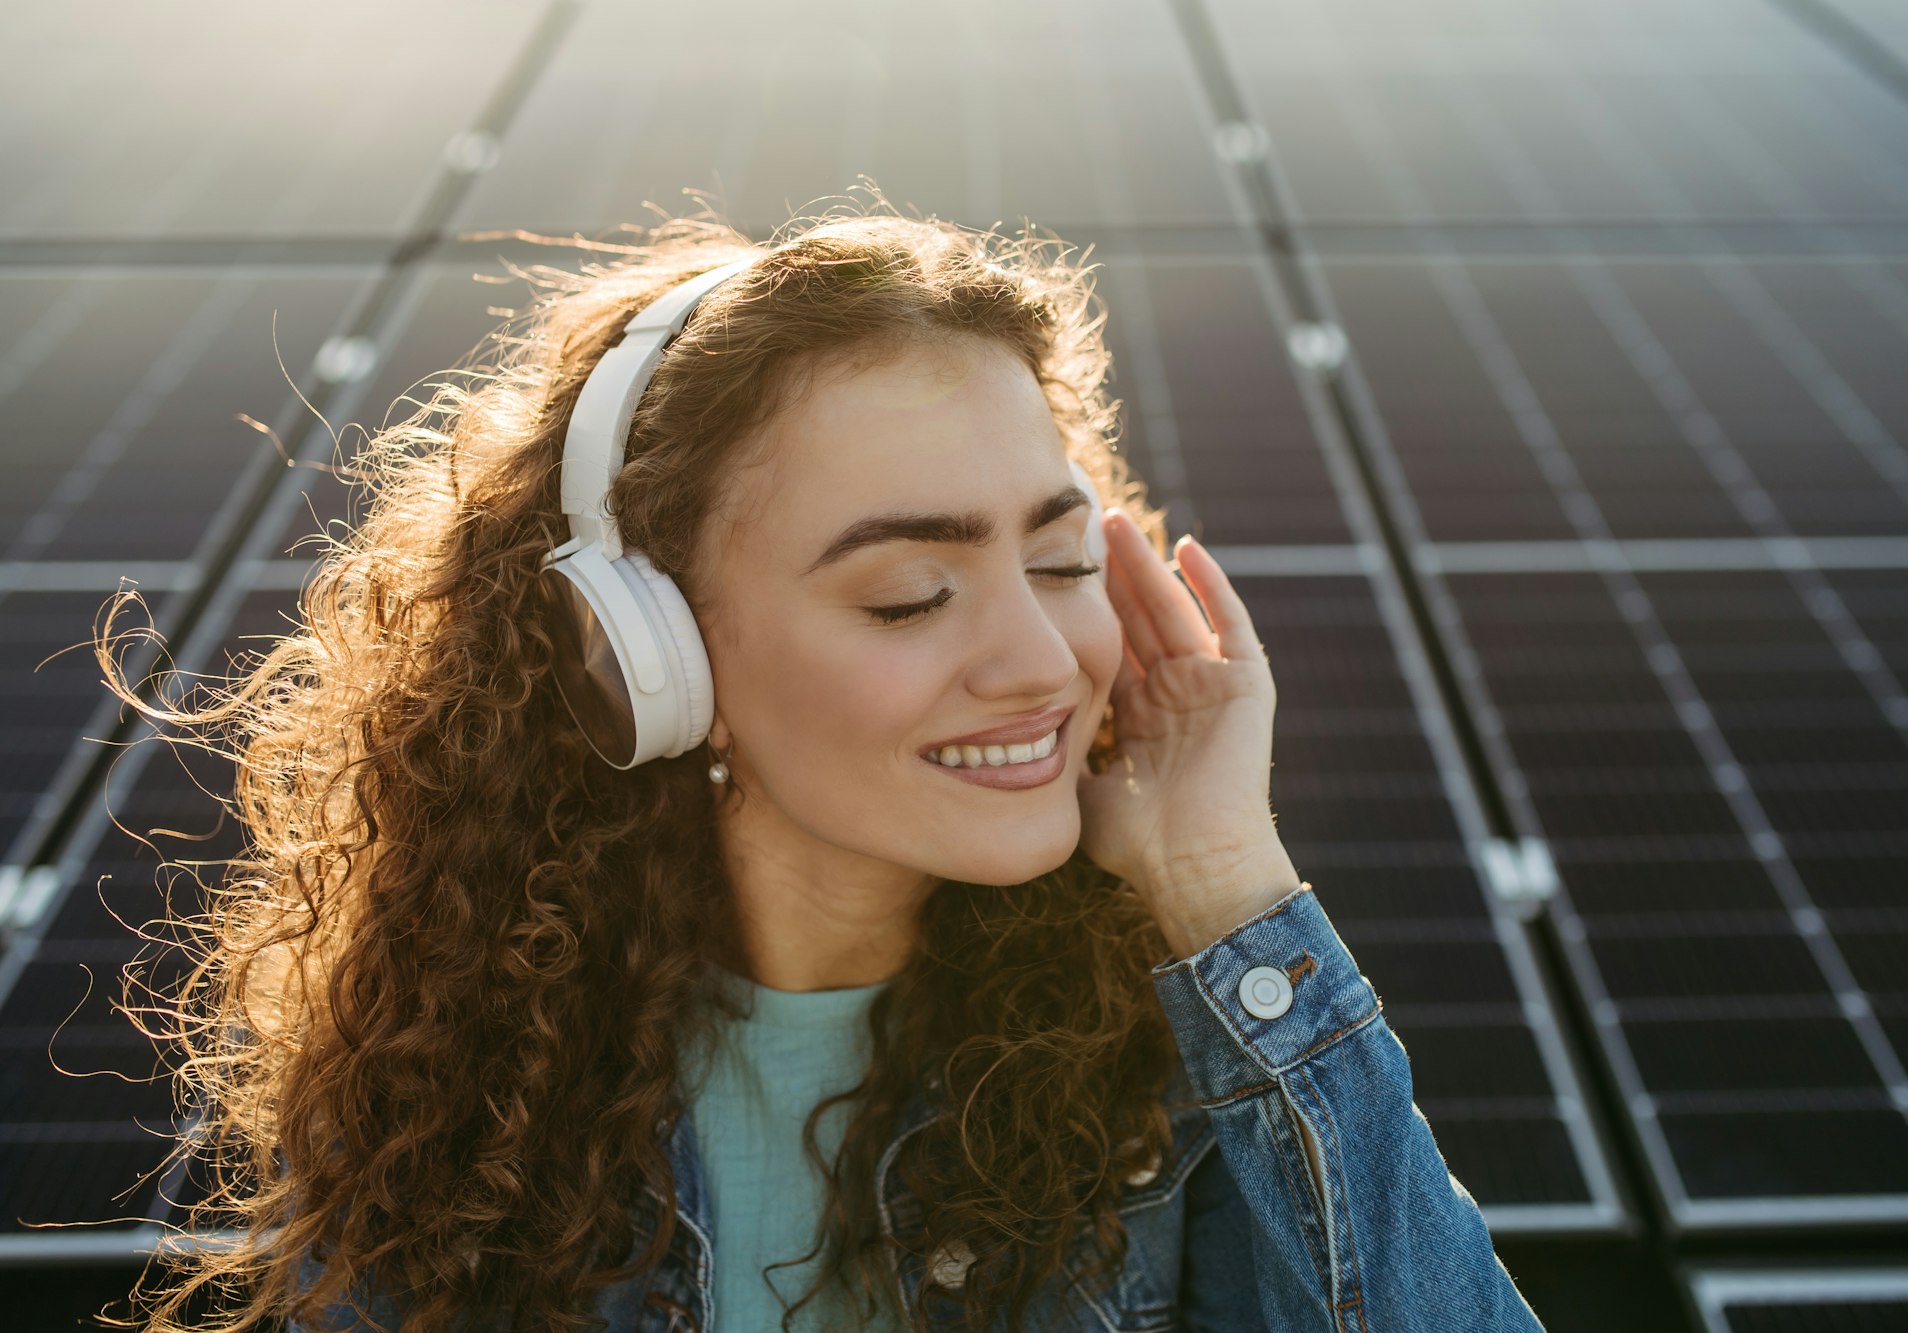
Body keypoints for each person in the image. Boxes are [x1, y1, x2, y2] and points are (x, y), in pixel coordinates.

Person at [102, 195, 1542, 1332]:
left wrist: (1226, 884)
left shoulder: (1193, 1058)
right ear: (648, 655)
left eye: (1055, 558)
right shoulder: (458, 1092)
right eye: (910, 594)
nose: (1042, 659)